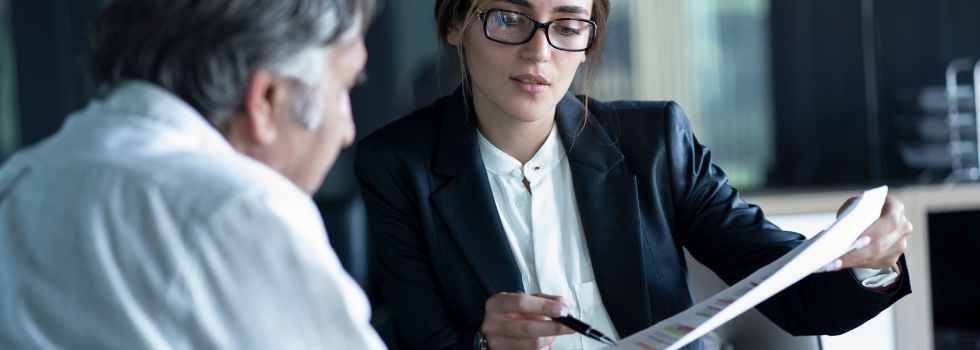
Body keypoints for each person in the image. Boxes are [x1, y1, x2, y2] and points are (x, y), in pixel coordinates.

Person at [354, 0, 913, 349]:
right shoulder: (398, 166)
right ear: (456, 22)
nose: (538, 53)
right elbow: (421, 338)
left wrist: (872, 258)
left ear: (589, 37)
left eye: (567, 25)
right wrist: (483, 344)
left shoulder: (655, 142)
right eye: (509, 19)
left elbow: (796, 295)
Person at [0, 0, 386, 349]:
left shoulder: (17, 183)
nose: (348, 129)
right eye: (343, 89)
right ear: (266, 98)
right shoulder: (242, 209)